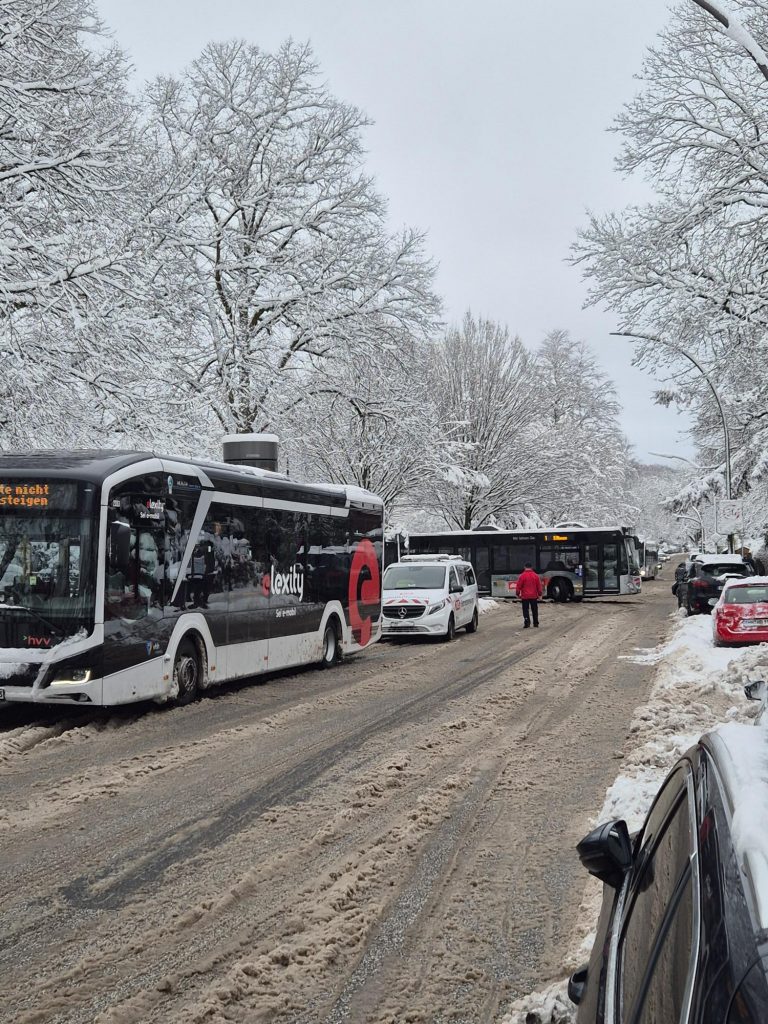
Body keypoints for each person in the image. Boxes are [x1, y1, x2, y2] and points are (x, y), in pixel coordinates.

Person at [515, 562, 543, 628]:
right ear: (531, 567)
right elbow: (539, 586)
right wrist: (540, 594)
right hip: (533, 596)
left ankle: (527, 623)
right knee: (534, 610)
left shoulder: (522, 576)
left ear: (525, 567)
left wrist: (517, 594)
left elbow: (518, 586)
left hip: (525, 596)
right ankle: (536, 623)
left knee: (525, 610)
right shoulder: (535, 575)